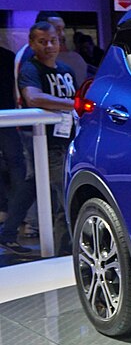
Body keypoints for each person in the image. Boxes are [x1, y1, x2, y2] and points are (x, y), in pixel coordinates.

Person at [17, 21, 77, 255]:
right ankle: (63, 253)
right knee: (64, 200)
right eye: (42, 42)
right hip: (48, 146)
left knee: (67, 201)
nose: (49, 46)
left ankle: (68, 252)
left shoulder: (66, 69)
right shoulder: (30, 69)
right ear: (32, 44)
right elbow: (33, 97)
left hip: (70, 142)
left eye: (53, 40)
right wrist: (71, 103)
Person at [1, 45, 35, 255]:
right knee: (27, 176)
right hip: (19, 123)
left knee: (23, 172)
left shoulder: (10, 56)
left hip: (16, 121)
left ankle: (11, 224)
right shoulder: (19, 57)